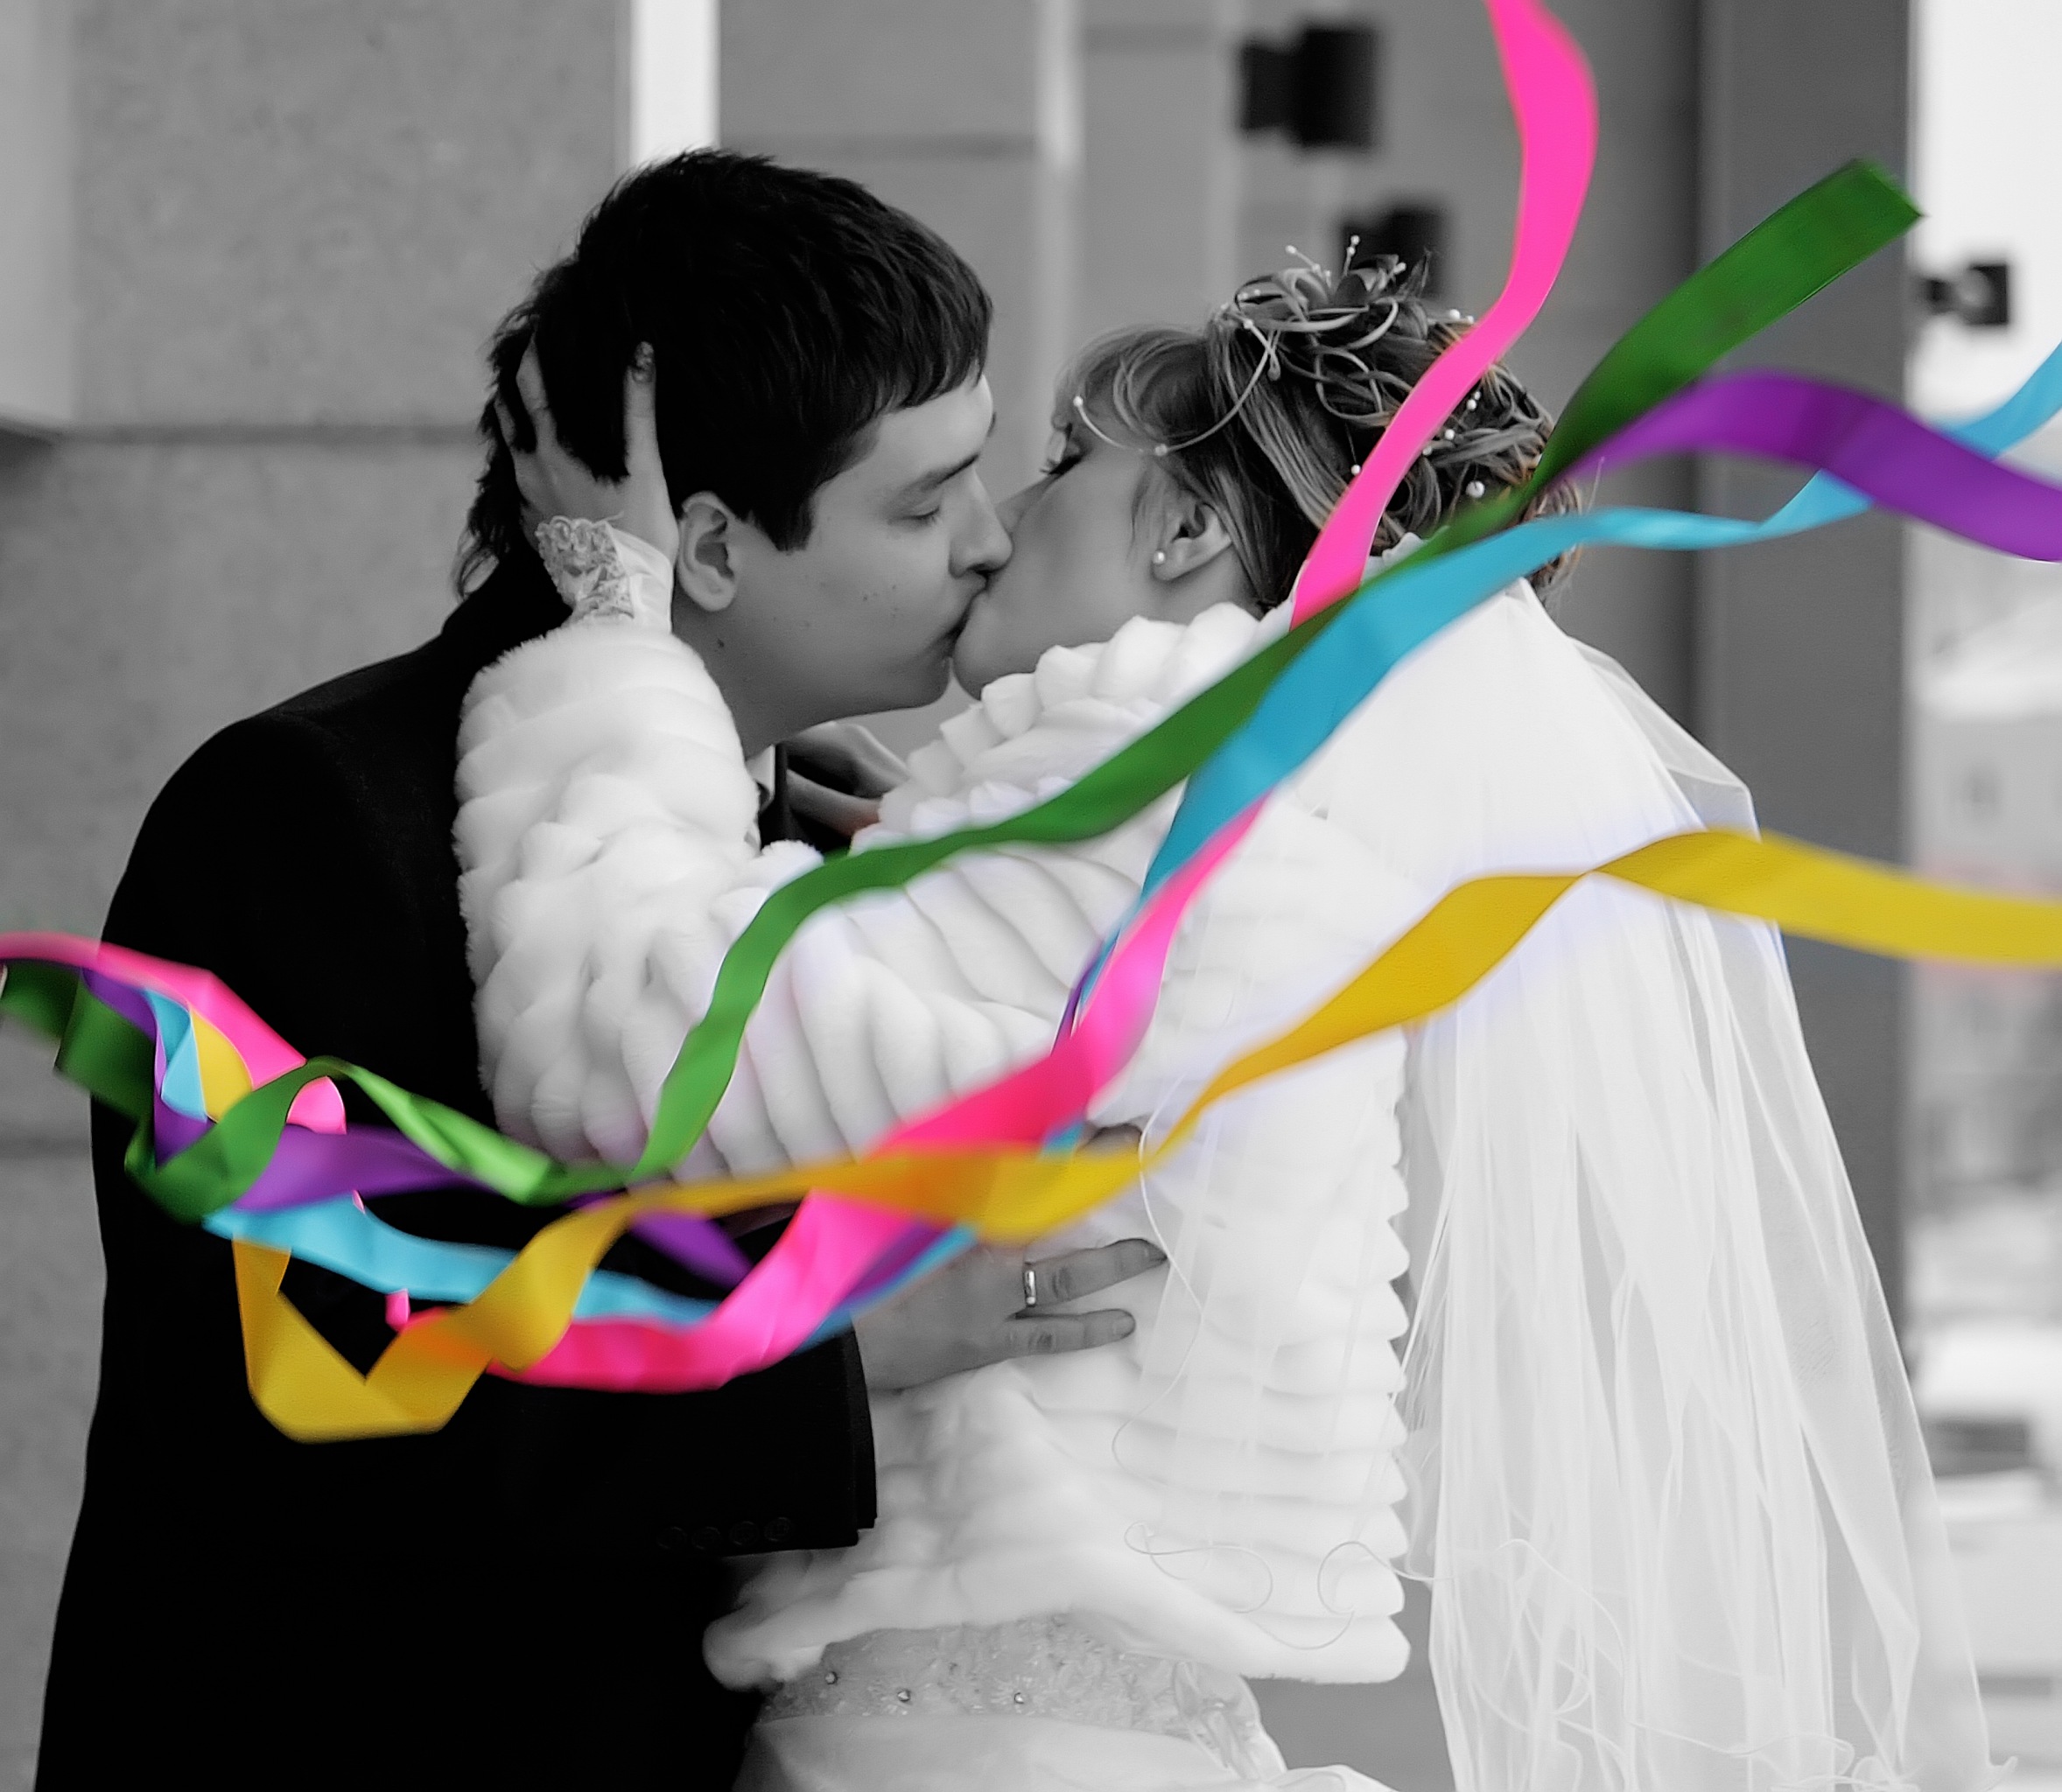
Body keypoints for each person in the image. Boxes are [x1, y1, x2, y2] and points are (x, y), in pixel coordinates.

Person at [478, 250, 1995, 1790]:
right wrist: (918, 860)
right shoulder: (1267, 839)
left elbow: (628, 1051)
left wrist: (619, 636)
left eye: (1065, 465)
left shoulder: (1122, 809)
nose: (999, 526)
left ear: (1188, 531)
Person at [36, 150, 1160, 1791]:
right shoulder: (303, 817)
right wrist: (832, 1348)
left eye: (982, 475)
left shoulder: (818, 833)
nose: (990, 544)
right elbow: (312, 1367)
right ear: (707, 544)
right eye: (924, 505)